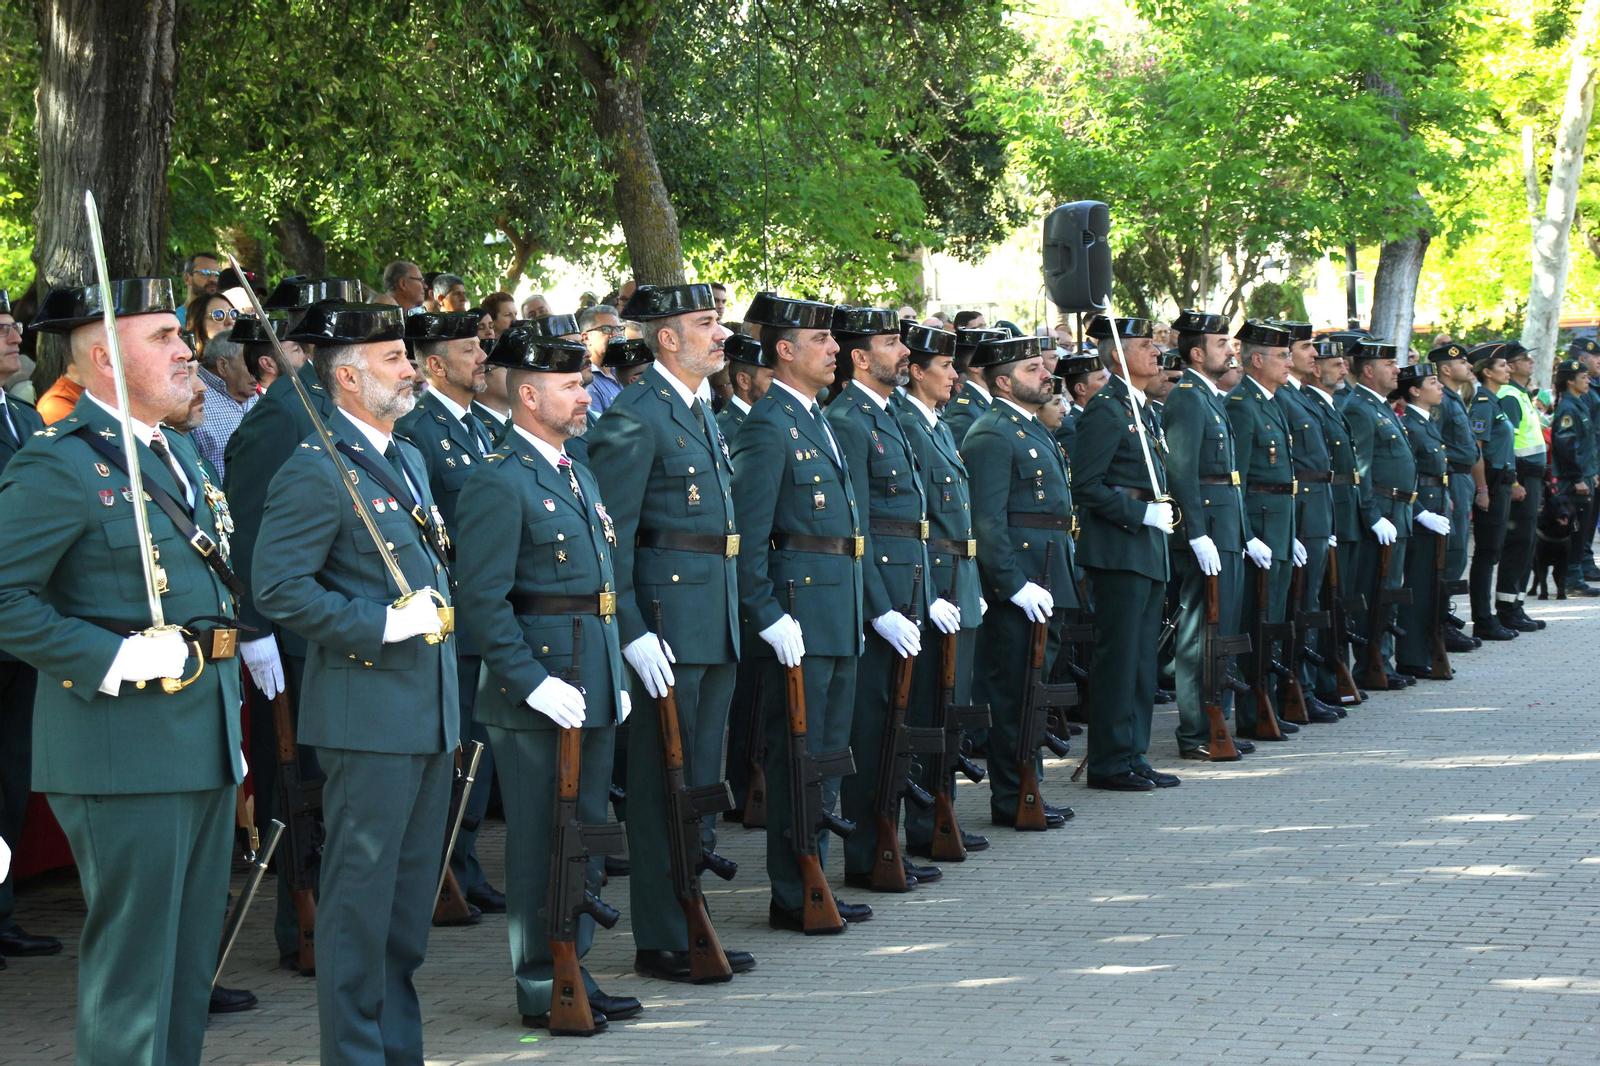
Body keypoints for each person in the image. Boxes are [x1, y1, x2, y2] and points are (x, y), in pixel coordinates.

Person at [0, 277, 247, 1063]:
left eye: (183, 335)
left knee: (185, 969)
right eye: (164, 337)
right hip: (123, 746)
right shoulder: (62, 465)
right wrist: (106, 656)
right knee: (135, 974)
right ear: (105, 357)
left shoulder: (172, 451)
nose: (187, 350)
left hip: (198, 735)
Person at [252, 301, 459, 1065]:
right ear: (347, 376)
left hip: (425, 711)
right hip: (367, 717)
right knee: (359, 905)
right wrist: (378, 624)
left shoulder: (404, 458)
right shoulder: (316, 467)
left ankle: (396, 1050)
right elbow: (276, 587)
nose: (412, 370)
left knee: (405, 914)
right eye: (396, 358)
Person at [454, 326, 641, 1030]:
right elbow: (482, 598)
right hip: (537, 690)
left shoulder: (576, 470)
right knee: (541, 843)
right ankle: (543, 982)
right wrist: (529, 680)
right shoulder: (500, 479)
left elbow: (600, 587)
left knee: (585, 832)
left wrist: (613, 660)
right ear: (528, 395)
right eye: (570, 385)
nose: (585, 394)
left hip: (587, 674)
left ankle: (575, 966)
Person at [583, 283, 756, 981]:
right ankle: (660, 934)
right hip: (666, 625)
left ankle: (691, 915)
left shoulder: (696, 408)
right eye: (705, 324)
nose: (720, 335)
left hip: (710, 620)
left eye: (718, 322)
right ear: (667, 339)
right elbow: (610, 538)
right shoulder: (637, 415)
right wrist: (629, 629)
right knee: (664, 784)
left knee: (700, 781)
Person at [222, 276, 367, 969]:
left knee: (331, 789)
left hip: (333, 627)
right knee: (298, 785)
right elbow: (248, 533)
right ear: (309, 348)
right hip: (291, 635)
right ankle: (298, 927)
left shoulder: (328, 407)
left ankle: (328, 922)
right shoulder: (282, 416)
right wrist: (253, 630)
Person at [729, 292, 872, 932]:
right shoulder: (768, 423)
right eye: (821, 340)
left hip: (835, 608)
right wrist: (763, 611)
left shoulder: (816, 418)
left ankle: (817, 877)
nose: (835, 349)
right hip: (797, 611)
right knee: (800, 752)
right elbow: (750, 534)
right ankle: (794, 888)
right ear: (784, 351)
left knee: (829, 752)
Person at [823, 307, 942, 891]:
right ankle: (869, 853)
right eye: (892, 343)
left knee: (897, 725)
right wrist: (879, 606)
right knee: (872, 729)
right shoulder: (848, 419)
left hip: (910, 587)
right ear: (860, 358)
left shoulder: (888, 414)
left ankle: (888, 842)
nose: (905, 352)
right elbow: (859, 528)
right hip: (883, 598)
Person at [394, 311, 506, 916]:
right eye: (469, 349)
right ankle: (444, 871)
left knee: (480, 747)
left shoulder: (481, 428)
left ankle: (463, 863)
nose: (483, 356)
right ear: (435, 365)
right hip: (453, 609)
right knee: (460, 744)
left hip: (486, 607)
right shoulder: (419, 429)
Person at [962, 334, 1079, 820]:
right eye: (1033, 369)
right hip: (1021, 581)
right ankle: (1012, 796)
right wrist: (1012, 584)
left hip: (1047, 574)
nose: (1046, 375)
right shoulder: (992, 432)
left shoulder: (1028, 428)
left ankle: (1028, 789)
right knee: (1013, 691)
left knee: (1033, 689)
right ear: (1004, 382)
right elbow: (986, 521)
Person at [894, 320, 988, 858]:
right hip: (934, 582)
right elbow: (918, 516)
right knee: (929, 710)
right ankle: (927, 822)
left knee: (949, 709)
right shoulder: (907, 422)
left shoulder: (937, 423)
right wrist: (929, 589)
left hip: (958, 579)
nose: (955, 375)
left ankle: (943, 815)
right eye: (946, 366)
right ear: (915, 372)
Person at [1072, 317, 1173, 788]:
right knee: (1119, 658)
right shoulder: (1106, 410)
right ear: (1116, 355)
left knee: (1141, 661)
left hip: (1146, 548)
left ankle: (1133, 754)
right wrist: (1138, 516)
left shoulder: (1142, 409)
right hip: (1119, 549)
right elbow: (1086, 485)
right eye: (1145, 345)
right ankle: (1109, 761)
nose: (1156, 351)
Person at [1164, 309, 1255, 759]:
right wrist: (1195, 533)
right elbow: (1182, 472)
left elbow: (1227, 476)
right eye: (1221, 344)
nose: (1230, 350)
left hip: (1226, 527)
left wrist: (1245, 531)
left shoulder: (1209, 396)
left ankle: (1219, 721)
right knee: (1200, 632)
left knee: (1223, 630)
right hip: (1208, 531)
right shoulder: (1186, 397)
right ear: (1198, 353)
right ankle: (1197, 731)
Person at [0, 288, 56, 968]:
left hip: (23, 629)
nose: (16, 336)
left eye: (16, 326)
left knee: (11, 773)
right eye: (2, 328)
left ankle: (4, 906)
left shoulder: (21, 417)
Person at [1227, 321, 1306, 734]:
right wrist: (1246, 534)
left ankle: (1268, 704)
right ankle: (1250, 712)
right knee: (1254, 620)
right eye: (1282, 356)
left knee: (1273, 617)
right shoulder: (1242, 403)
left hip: (1278, 522)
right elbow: (1236, 476)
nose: (1289, 362)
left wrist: (1289, 531)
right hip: (1258, 522)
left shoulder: (1272, 400)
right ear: (1257, 360)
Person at [1271, 320, 1344, 720]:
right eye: (1302, 348)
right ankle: (1294, 690)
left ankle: (1306, 686)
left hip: (1316, 508)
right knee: (1295, 606)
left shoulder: (1304, 397)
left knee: (1310, 603)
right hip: (1297, 513)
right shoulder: (1282, 398)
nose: (1313, 355)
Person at [1343, 339, 1418, 686]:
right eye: (1389, 364)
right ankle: (1371, 665)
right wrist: (1372, 515)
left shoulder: (1381, 406)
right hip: (1382, 509)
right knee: (1376, 589)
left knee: (1389, 590)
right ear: (1369, 371)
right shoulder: (1359, 407)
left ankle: (1382, 662)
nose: (1397, 370)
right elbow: (1362, 468)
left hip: (1398, 508)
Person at [1305, 340, 1369, 699]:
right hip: (1328, 510)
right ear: (1317, 369)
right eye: (1336, 364)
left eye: (1346, 363)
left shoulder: (1330, 404)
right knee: (1326, 600)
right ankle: (1325, 682)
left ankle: (1335, 679)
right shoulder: (1311, 403)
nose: (1345, 369)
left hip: (1342, 510)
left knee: (1338, 599)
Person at [1392, 364, 1454, 676]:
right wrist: (1421, 513)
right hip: (1422, 513)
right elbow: (1407, 477)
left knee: (1433, 585)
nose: (1440, 386)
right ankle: (1413, 657)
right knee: (1418, 585)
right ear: (1414, 390)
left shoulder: (1426, 423)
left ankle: (1426, 651)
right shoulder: (1411, 427)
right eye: (1433, 382)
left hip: (1438, 507)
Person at [1429, 342, 1482, 646]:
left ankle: (1444, 617)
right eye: (1463, 362)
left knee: (1459, 549)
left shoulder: (1455, 398)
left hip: (1463, 477)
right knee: (1451, 553)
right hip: (1452, 478)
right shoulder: (1442, 402)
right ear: (1446, 369)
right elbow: (1433, 445)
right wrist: (1444, 483)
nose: (1469, 367)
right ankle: (1440, 622)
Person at [1466, 350, 1519, 640]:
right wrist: (1483, 489)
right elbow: (1477, 451)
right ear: (1487, 372)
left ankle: (1488, 618)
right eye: (1502, 365)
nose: (1508, 369)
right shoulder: (1484, 404)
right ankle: (1483, 620)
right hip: (1492, 484)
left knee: (1493, 551)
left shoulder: (1495, 402)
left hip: (1502, 483)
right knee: (1486, 553)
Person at [1495, 342, 1550, 614]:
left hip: (1533, 479)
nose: (1531, 362)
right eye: (1523, 358)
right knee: (1519, 543)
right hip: (1522, 479)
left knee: (1528, 542)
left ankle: (1516, 604)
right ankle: (1507, 608)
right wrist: (1514, 481)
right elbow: (1508, 443)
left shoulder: (1521, 393)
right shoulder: (1510, 395)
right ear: (1511, 365)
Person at [1550, 358, 1598, 592]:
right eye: (1583, 378)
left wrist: (1592, 473)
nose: (1588, 381)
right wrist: (1578, 478)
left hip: (1585, 475)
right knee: (1576, 529)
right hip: (1574, 480)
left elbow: (1586, 445)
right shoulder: (1568, 408)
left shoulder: (1579, 404)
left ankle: (1575, 575)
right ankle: (1572, 578)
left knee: (1583, 528)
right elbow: (1566, 447)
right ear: (1570, 381)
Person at [191, 329, 259, 480]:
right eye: (250, 364)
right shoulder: (194, 399)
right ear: (223, 365)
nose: (258, 372)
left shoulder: (258, 398)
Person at [941, 326, 1007, 446]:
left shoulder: (990, 402)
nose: (1006, 365)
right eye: (997, 358)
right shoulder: (963, 412)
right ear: (975, 366)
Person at [716, 333, 775, 439]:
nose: (777, 385)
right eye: (771, 377)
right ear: (744, 381)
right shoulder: (723, 428)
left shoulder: (772, 418)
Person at [579, 305, 627, 415]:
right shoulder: (587, 381)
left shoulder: (623, 370)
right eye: (606, 329)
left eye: (618, 329)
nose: (615, 334)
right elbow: (596, 428)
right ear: (586, 338)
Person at [176, 253, 222, 326]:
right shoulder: (175, 321)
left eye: (216, 274)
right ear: (187, 279)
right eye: (205, 273)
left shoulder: (223, 318)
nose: (213, 279)